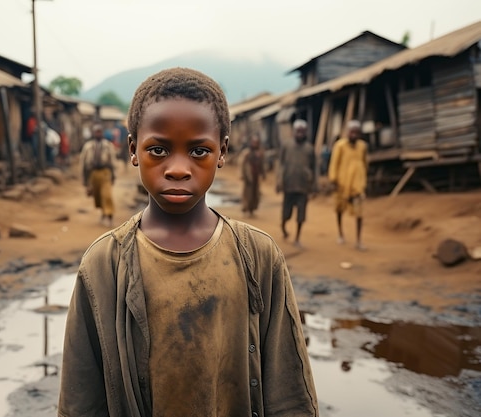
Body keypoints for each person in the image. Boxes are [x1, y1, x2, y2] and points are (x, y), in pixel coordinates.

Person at [58, 68, 318, 417]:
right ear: (133, 149)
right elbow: (80, 401)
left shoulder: (258, 257)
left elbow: (290, 393)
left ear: (222, 151)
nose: (178, 168)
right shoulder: (103, 265)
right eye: (159, 149)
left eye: (198, 151)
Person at [328, 119, 368, 250]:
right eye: (352, 132)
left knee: (359, 213)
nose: (354, 135)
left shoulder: (362, 146)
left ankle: (359, 240)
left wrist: (363, 178)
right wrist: (333, 179)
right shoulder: (340, 145)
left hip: (357, 185)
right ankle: (340, 234)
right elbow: (334, 163)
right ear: (347, 133)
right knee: (339, 210)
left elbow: (365, 162)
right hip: (342, 184)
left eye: (356, 132)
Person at [277, 119, 316, 248]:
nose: (300, 134)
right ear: (293, 132)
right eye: (297, 131)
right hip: (289, 185)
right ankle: (283, 226)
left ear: (305, 133)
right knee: (286, 213)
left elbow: (314, 168)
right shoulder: (286, 145)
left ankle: (297, 238)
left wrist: (314, 186)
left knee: (301, 215)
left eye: (302, 132)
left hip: (303, 187)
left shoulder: (309, 149)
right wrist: (279, 181)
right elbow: (281, 165)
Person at [79, 123, 118, 227]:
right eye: (96, 131)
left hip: (105, 173)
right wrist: (85, 180)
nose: (98, 133)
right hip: (93, 174)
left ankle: (110, 217)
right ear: (93, 133)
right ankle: (103, 214)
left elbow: (113, 161)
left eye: (100, 131)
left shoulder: (108, 145)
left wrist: (114, 175)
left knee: (107, 195)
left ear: (102, 133)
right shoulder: (88, 146)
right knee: (98, 196)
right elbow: (83, 163)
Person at [237, 133, 266, 217]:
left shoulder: (259, 153)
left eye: (256, 143)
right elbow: (241, 163)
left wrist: (263, 173)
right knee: (247, 193)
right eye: (253, 142)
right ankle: (246, 208)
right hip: (248, 175)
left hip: (256, 176)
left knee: (255, 194)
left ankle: (252, 209)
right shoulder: (246, 153)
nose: (255, 144)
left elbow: (262, 164)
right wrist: (242, 174)